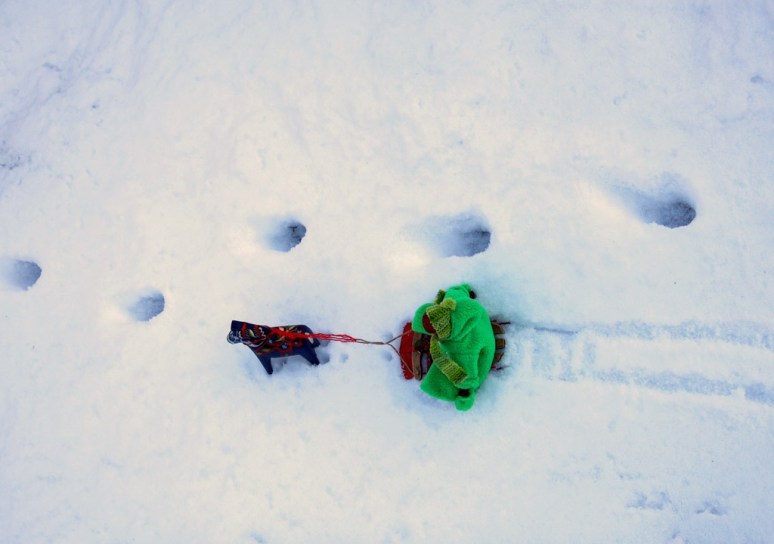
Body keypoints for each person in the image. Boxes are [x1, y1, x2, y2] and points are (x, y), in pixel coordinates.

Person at [411, 283, 496, 411]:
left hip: (483, 354)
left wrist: (465, 399)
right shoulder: (454, 303)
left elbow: (467, 378)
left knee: (445, 375)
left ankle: (443, 388)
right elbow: (458, 289)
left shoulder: (462, 350)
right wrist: (467, 291)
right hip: (481, 324)